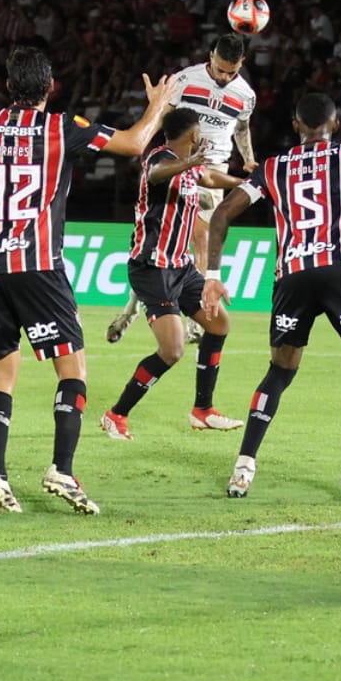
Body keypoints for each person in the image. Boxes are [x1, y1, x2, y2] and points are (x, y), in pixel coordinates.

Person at [0, 46, 170, 514]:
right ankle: (62, 470)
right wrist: (157, 107)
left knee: (3, 370)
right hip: (38, 264)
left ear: (8, 86)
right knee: (73, 369)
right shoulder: (62, 128)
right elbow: (133, 144)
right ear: (50, 87)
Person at [200, 92, 341, 504]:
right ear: (336, 124)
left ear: (296, 126)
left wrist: (212, 275)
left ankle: (244, 466)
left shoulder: (273, 168)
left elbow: (223, 213)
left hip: (292, 276)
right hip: (340, 272)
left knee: (280, 371)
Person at [99, 107, 245, 440]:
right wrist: (189, 163)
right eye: (200, 133)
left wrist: (247, 185)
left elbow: (208, 177)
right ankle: (115, 415)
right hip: (152, 269)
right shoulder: (158, 158)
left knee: (219, 323)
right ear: (194, 134)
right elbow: (155, 175)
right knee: (172, 350)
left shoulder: (192, 168)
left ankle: (203, 411)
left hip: (180, 266)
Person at [106, 31, 257, 344]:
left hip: (212, 168)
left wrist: (249, 160)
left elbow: (242, 128)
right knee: (163, 244)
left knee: (202, 234)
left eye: (232, 70)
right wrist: (153, 118)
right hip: (176, 163)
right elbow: (164, 119)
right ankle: (133, 307)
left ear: (242, 63)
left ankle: (197, 317)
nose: (225, 76)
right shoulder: (185, 80)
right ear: (210, 57)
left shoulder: (245, 94)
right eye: (220, 69)